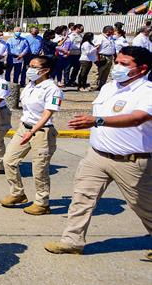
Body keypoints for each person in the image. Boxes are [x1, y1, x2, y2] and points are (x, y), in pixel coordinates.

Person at [45, 46, 151, 258]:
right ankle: (72, 240)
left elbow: (138, 117)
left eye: (124, 64)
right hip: (97, 156)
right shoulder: (109, 88)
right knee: (82, 198)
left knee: (143, 206)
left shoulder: (147, 92)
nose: (117, 67)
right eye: (117, 61)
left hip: (131, 161)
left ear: (142, 69)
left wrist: (98, 121)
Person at [1, 56, 63, 215]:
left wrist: (32, 131)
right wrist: (26, 130)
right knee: (9, 160)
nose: (30, 69)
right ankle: (17, 193)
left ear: (46, 70)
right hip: (24, 128)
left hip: (42, 132)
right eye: (30, 65)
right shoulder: (30, 85)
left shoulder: (52, 89)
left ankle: (42, 203)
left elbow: (47, 114)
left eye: (34, 66)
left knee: (39, 169)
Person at [95, 25, 117, 90]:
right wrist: (97, 58)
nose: (113, 32)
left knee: (106, 72)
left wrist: (115, 56)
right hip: (102, 56)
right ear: (108, 31)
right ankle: (95, 85)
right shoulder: (100, 37)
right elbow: (96, 48)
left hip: (110, 56)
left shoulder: (111, 38)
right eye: (112, 30)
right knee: (99, 71)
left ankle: (102, 85)